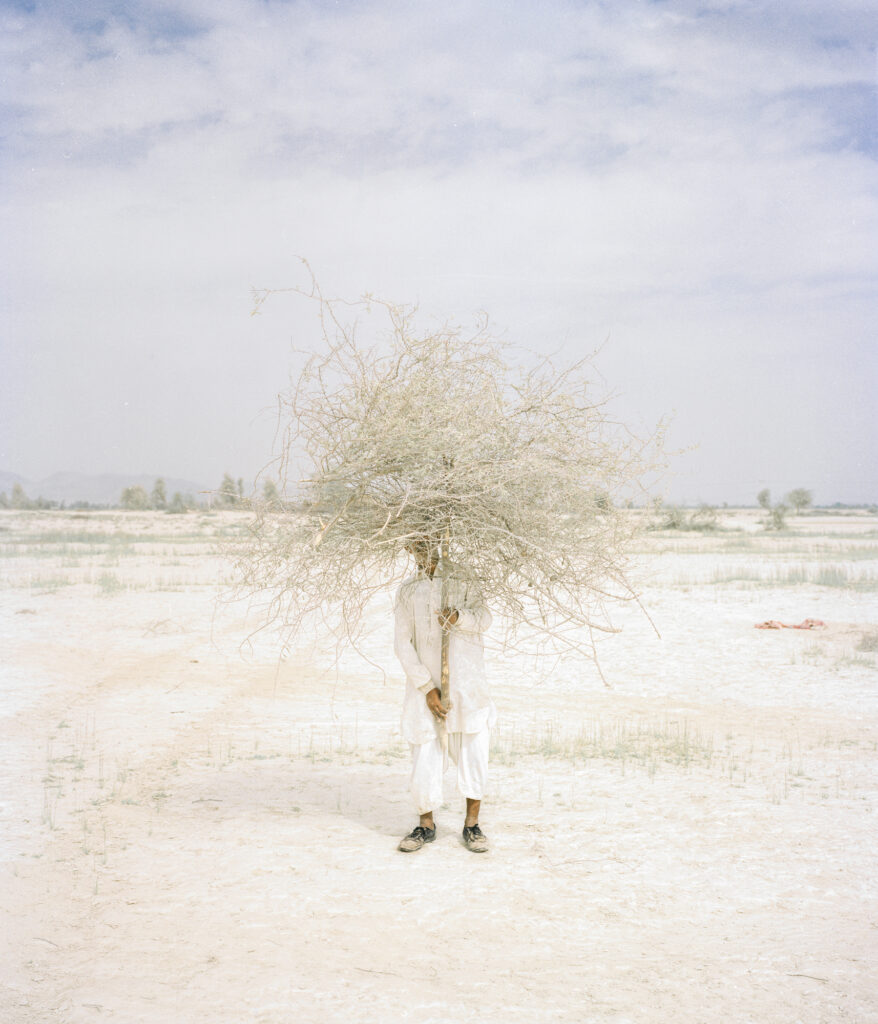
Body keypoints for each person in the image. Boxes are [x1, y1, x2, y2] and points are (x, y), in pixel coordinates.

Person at [393, 540, 496, 853]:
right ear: (410, 548)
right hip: (427, 690)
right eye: (416, 545)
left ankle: (472, 826)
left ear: (440, 543)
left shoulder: (463, 578)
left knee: (474, 750)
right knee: (424, 752)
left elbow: (484, 618)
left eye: (428, 542)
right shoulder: (408, 590)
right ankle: (425, 825)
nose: (423, 550)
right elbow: (402, 643)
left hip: (467, 684)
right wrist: (427, 687)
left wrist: (459, 617)